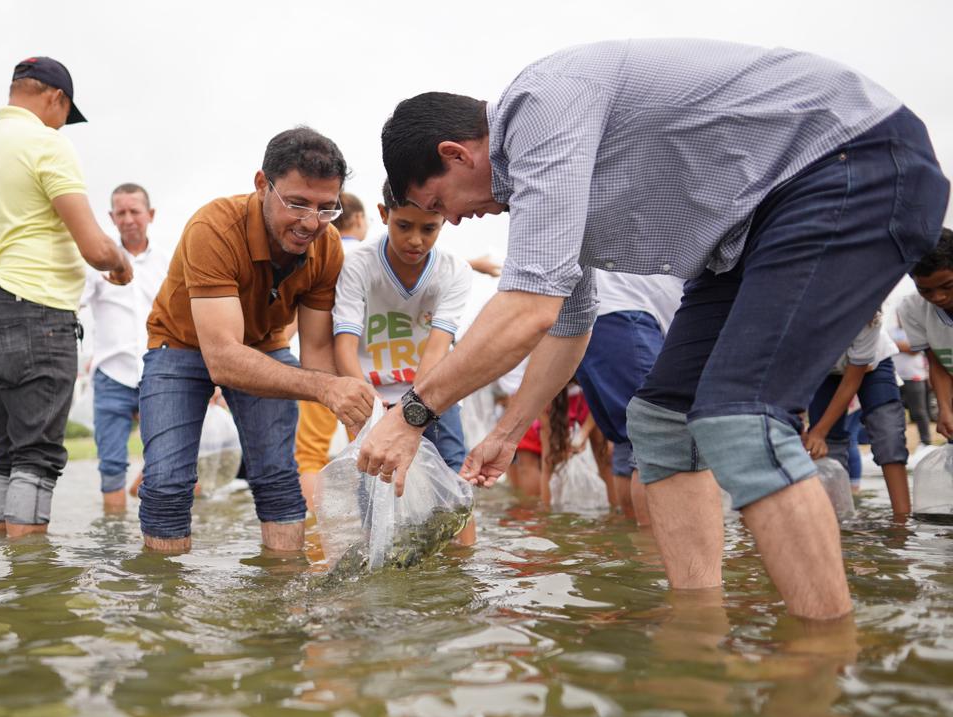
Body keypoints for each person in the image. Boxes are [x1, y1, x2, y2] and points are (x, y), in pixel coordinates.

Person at [362, 39, 948, 620]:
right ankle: (699, 625)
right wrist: (510, 430)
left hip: (847, 162)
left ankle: (822, 657)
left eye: (440, 203)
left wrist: (413, 414)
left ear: (457, 153)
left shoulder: (539, 104)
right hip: (743, 240)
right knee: (661, 421)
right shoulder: (550, 184)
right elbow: (568, 325)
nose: (456, 219)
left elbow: (527, 306)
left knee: (739, 414)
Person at [139, 127, 375, 553]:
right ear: (263, 185)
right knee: (168, 482)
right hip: (178, 345)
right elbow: (224, 359)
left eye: (326, 208)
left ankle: (284, 597)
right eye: (297, 203)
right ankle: (163, 604)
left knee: (277, 474)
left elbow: (318, 351)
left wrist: (354, 415)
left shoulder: (329, 246)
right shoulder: (213, 228)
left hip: (264, 343)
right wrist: (324, 387)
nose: (310, 222)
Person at [0, 56, 133, 538]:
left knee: (8, 452)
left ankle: (2, 580)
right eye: (64, 114)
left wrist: (6, 274)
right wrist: (121, 263)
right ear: (56, 99)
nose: (61, 123)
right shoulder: (47, 144)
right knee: (37, 457)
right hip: (40, 316)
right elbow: (95, 248)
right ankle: (31, 592)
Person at [332, 180, 475, 544]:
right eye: (404, 226)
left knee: (454, 493)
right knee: (375, 498)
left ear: (444, 221)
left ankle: (462, 572)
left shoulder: (453, 271)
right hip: (374, 399)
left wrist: (414, 410)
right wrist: (363, 402)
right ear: (384, 215)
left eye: (429, 229)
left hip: (434, 397)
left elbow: (436, 348)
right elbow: (345, 344)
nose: (416, 240)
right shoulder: (359, 267)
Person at [79, 183, 171, 512]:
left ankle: (156, 531)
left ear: (150, 215)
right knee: (111, 466)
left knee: (167, 460)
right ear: (111, 217)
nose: (129, 218)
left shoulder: (167, 262)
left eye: (135, 211)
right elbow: (73, 303)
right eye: (121, 213)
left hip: (159, 372)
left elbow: (182, 316)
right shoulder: (95, 261)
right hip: (110, 374)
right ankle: (114, 537)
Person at [574, 269, 683, 524]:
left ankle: (638, 548)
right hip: (626, 314)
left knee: (628, 442)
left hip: (595, 317)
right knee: (654, 438)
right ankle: (652, 552)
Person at [292, 192, 368, 508]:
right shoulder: (370, 255)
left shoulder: (316, 253)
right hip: (362, 365)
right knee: (369, 445)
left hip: (316, 365)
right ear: (360, 219)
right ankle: (375, 526)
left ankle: (312, 532)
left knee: (310, 452)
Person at [803, 314, 910, 518]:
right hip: (826, 373)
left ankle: (902, 521)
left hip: (873, 366)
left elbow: (852, 380)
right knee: (825, 446)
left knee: (888, 434)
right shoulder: (797, 323)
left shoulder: (868, 317)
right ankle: (835, 519)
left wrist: (818, 431)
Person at [897, 228, 953, 441]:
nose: (938, 297)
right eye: (925, 290)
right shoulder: (913, 309)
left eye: (948, 286)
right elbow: (937, 362)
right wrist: (945, 409)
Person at [890, 316, 933, 446]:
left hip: (914, 376)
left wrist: (894, 345)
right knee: (896, 414)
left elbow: (914, 349)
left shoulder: (916, 330)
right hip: (896, 377)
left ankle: (926, 443)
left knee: (919, 412)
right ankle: (898, 444)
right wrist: (903, 346)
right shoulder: (890, 331)